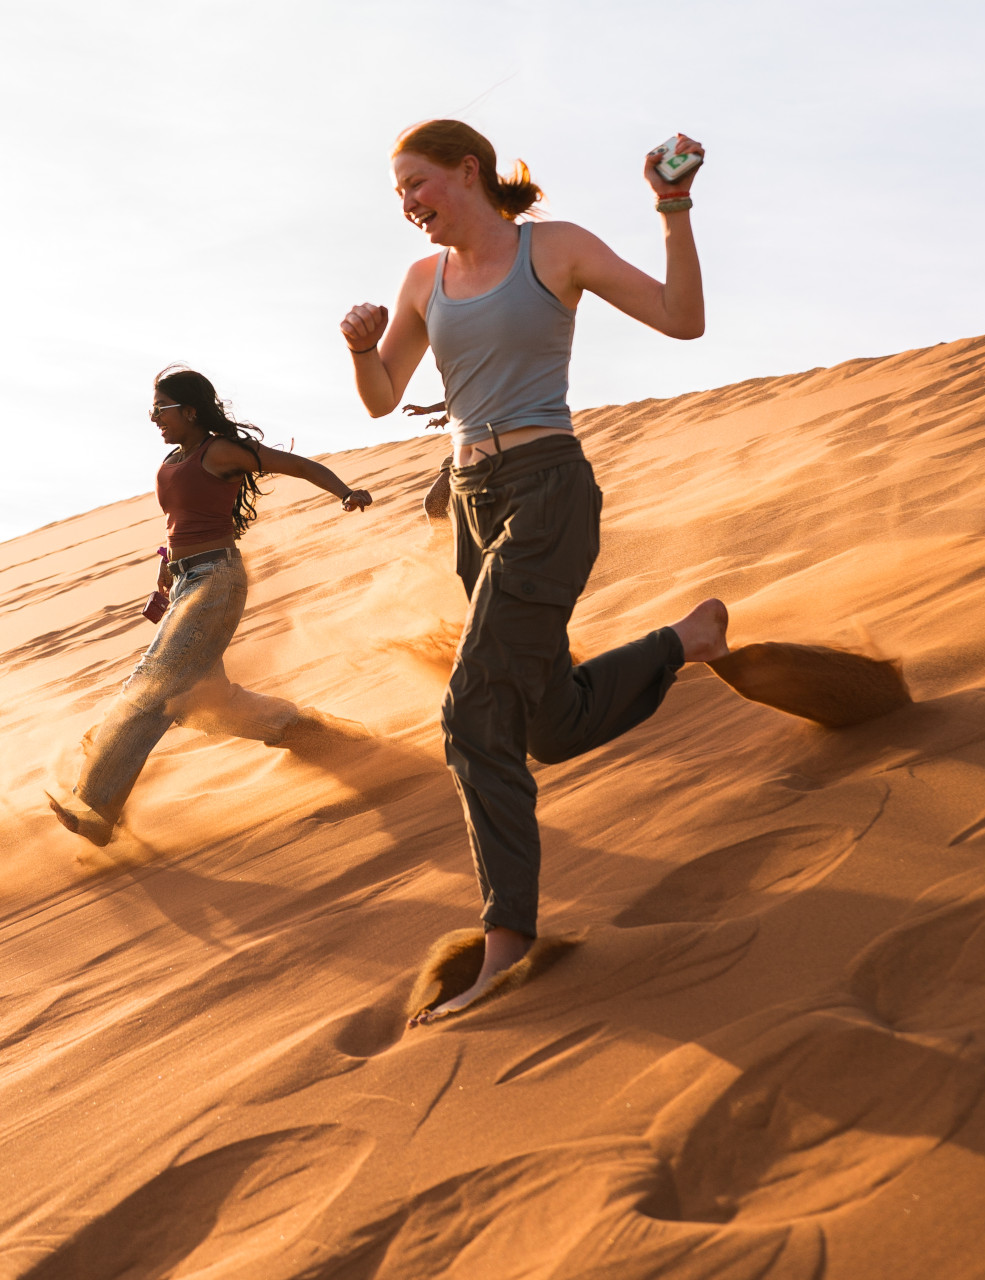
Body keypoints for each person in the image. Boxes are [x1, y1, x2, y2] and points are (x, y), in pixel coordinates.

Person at [342, 120, 799, 1025]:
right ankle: (684, 642)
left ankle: (507, 941)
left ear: (466, 171)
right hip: (473, 500)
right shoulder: (422, 282)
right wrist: (362, 346)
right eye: (397, 194)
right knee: (544, 724)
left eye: (417, 185)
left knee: (473, 713)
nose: (408, 205)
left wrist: (673, 208)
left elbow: (682, 319)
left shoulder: (552, 249)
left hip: (548, 495)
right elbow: (384, 394)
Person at [47, 368, 377, 845]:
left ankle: (96, 807)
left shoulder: (218, 452)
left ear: (190, 410)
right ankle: (315, 735)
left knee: (152, 687)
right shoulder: (173, 461)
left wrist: (345, 492)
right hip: (187, 582)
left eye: (160, 409)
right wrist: (167, 568)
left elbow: (298, 465)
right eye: (151, 410)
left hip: (215, 581)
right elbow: (180, 524)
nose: (154, 418)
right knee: (205, 703)